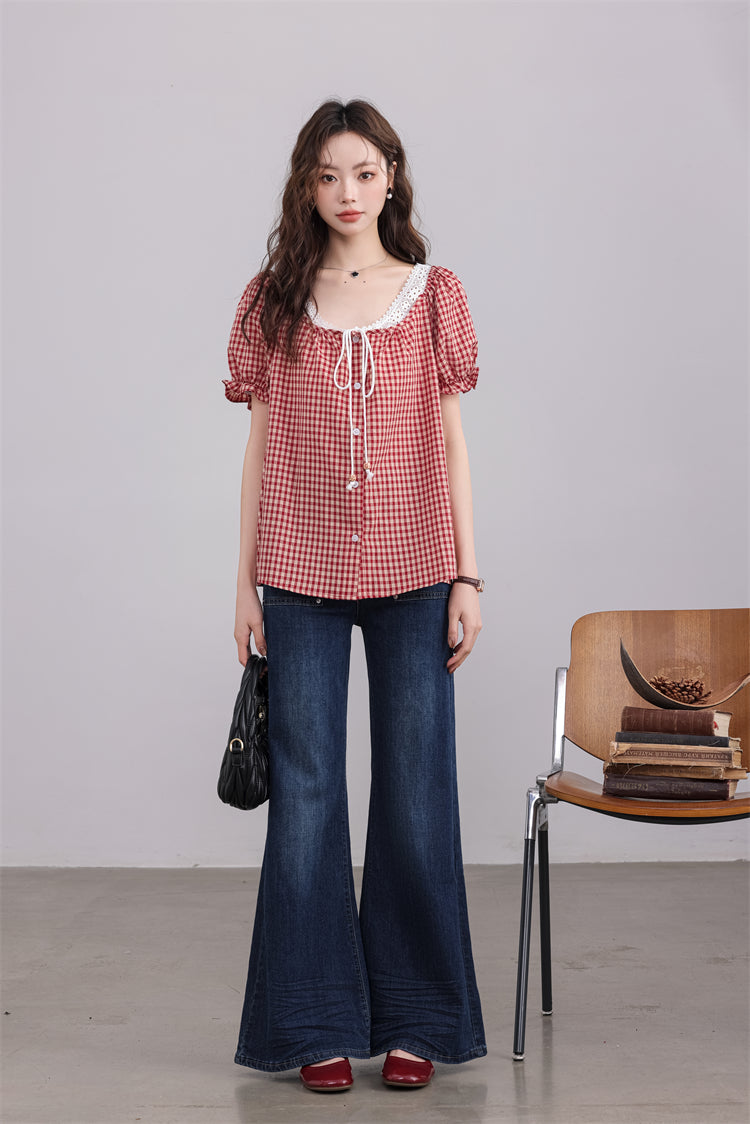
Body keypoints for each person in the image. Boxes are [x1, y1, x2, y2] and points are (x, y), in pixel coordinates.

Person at [223, 98, 487, 1093]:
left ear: (391, 178)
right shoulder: (271, 301)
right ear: (307, 184)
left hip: (418, 574)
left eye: (364, 174)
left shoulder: (434, 295)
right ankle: (313, 1019)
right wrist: (242, 586)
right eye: (328, 175)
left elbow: (452, 441)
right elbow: (258, 450)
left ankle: (417, 1017)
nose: (347, 193)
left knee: (417, 795)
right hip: (298, 577)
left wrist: (468, 574)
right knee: (306, 802)